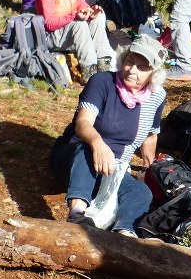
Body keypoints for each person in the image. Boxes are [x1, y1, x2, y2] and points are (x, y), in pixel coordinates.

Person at [50, 36, 168, 236]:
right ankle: (77, 215)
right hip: (76, 160)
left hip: (114, 168)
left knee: (141, 192)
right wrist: (98, 143)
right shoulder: (102, 82)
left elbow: (150, 136)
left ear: (153, 74)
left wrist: (148, 170)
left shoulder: (157, 97)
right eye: (130, 61)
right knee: (87, 149)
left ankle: (124, 233)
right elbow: (83, 123)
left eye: (142, 67)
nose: (132, 70)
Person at [35, 0, 115, 80]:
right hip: (52, 37)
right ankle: (90, 72)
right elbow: (48, 24)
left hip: (68, 32)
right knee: (79, 24)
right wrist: (74, 16)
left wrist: (91, 12)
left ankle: (104, 65)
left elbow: (82, 6)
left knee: (97, 19)